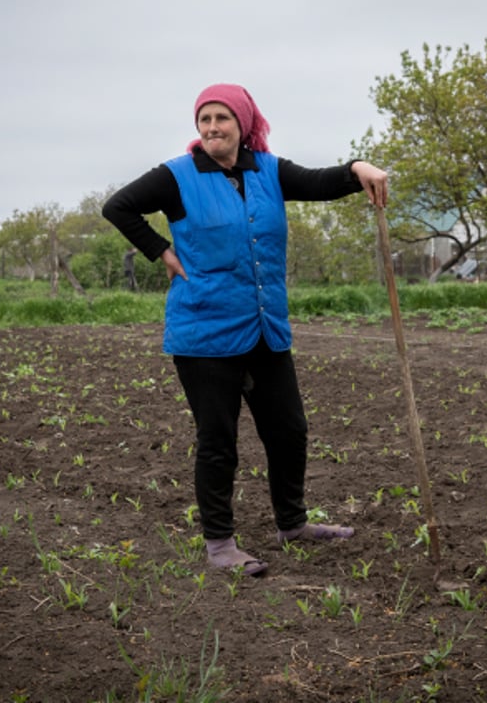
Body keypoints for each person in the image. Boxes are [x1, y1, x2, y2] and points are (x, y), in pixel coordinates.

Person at [102, 83, 388, 576]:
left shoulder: (269, 171)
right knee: (218, 439)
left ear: (243, 123)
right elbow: (118, 206)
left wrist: (357, 168)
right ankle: (220, 546)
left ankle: (292, 523)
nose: (211, 128)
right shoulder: (178, 176)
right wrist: (161, 251)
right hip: (204, 334)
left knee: (289, 430)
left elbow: (320, 182)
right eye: (204, 119)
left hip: (264, 328)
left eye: (222, 118)